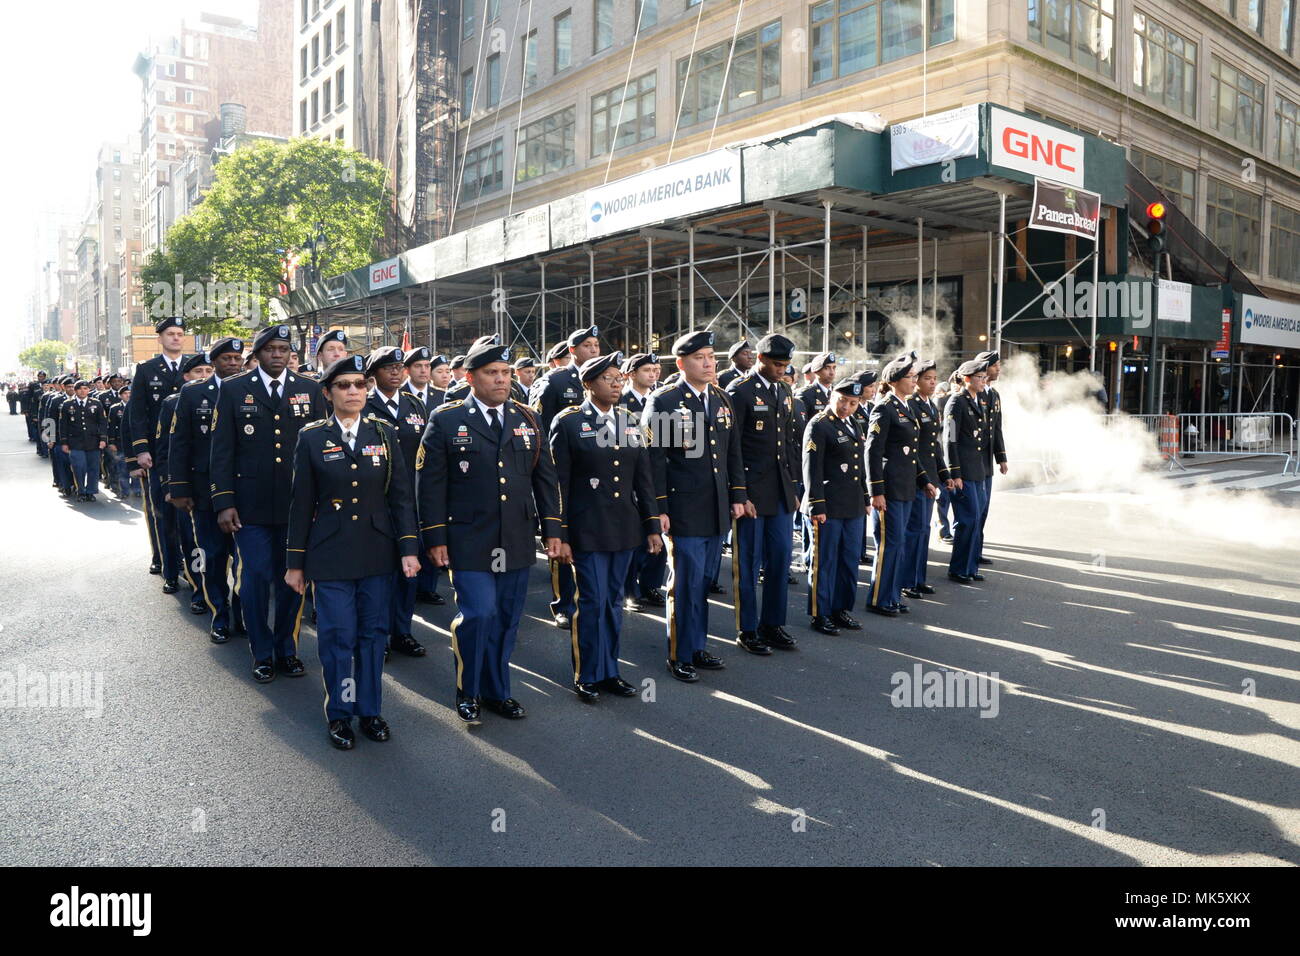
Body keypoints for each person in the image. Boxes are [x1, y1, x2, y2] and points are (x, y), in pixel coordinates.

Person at [416, 341, 564, 723]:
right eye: (491, 374)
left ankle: (498, 691)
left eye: (505, 373)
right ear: (470, 378)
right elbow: (430, 485)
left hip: (514, 536)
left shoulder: (528, 418)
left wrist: (553, 529)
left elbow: (545, 479)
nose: (501, 380)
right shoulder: (446, 419)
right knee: (478, 614)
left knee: (505, 620)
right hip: (468, 538)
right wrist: (434, 537)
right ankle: (468, 689)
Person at [286, 355, 420, 750]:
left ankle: (371, 711)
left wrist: (408, 548)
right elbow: (301, 503)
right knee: (337, 636)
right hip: (329, 555)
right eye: (344, 385)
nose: (354, 391)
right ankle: (341, 713)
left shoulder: (383, 433)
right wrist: (295, 563)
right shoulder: (312, 437)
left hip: (377, 551)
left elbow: (400, 498)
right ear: (327, 393)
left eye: (360, 384)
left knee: (373, 635)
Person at [210, 324, 327, 683]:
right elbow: (222, 451)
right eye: (270, 349)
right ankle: (262, 651)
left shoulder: (308, 389)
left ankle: (286, 648)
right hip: (250, 506)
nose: (278, 354)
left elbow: (322, 448)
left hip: (297, 506)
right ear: (257, 354)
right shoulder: (233, 389)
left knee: (294, 580)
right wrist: (224, 501)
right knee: (256, 578)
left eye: (283, 349)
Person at [550, 352, 661, 703]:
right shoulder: (568, 423)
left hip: (624, 529)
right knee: (593, 602)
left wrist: (652, 526)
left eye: (618, 378)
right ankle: (586, 673)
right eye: (608, 378)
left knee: (613, 602)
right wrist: (560, 534)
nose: (616, 384)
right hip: (587, 530)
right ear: (588, 384)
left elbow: (643, 480)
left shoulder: (630, 421)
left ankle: (609, 670)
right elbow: (559, 485)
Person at [642, 330, 747, 683]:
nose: (708, 363)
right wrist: (659, 509)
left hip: (716, 507)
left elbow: (732, 452)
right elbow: (656, 460)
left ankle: (697, 645)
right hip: (683, 509)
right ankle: (680, 653)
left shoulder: (720, 398)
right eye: (700, 357)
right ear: (682, 362)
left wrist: (738, 496)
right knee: (685, 583)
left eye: (711, 356)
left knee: (703, 582)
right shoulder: (667, 401)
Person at [725, 333, 801, 655]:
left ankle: (773, 623)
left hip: (781, 491)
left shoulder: (784, 390)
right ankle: (748, 628)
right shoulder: (739, 392)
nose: (782, 370)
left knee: (781, 558)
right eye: (777, 364)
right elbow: (732, 448)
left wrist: (795, 488)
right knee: (749, 561)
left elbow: (789, 444)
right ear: (760, 360)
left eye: (785, 365)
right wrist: (740, 494)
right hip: (752, 493)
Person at [168, 337, 245, 642]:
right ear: (214, 362)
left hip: (243, 490)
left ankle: (242, 613)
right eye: (227, 359)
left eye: (237, 359)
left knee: (245, 562)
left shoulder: (249, 391)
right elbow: (180, 443)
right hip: (203, 491)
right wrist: (179, 488)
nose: (233, 364)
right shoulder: (193, 394)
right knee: (212, 557)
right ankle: (220, 614)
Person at [530, 326, 601, 629]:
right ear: (573, 351)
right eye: (587, 345)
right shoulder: (555, 381)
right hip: (562, 471)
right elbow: (538, 428)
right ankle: (563, 603)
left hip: (596, 471)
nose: (594, 350)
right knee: (562, 532)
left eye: (597, 345)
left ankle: (590, 597)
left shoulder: (603, 378)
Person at [364, 345, 429, 658]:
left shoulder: (415, 404)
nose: (395, 372)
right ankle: (379, 634)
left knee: (409, 570)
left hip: (410, 502)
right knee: (379, 572)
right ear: (374, 373)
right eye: (387, 367)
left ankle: (402, 630)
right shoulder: (365, 404)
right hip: (375, 503)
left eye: (399, 367)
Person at [866, 354, 939, 616]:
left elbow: (912, 452)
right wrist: (876, 491)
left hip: (907, 486)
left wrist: (925, 480)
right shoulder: (884, 408)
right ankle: (879, 598)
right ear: (895, 381)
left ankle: (893, 594)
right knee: (889, 545)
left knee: (900, 545)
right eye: (910, 377)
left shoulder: (906, 407)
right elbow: (873, 452)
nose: (914, 381)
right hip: (891, 489)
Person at [802, 378, 870, 636]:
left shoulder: (853, 422)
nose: (846, 407)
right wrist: (816, 504)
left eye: (852, 403)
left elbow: (858, 466)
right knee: (825, 561)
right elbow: (812, 469)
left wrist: (865, 497)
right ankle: (821, 613)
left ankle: (841, 608)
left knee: (849, 560)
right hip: (827, 505)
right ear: (832, 396)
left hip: (851, 504)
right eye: (842, 400)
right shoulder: (819, 425)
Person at [127, 316, 188, 578]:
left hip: (188, 453)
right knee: (162, 512)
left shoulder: (194, 367)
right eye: (170, 334)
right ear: (160, 338)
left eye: (179, 333)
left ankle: (192, 567)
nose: (176, 337)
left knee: (189, 514)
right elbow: (137, 413)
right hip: (157, 454)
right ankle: (168, 565)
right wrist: (140, 450)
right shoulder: (146, 369)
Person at [156, 353, 214, 601]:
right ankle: (199, 590)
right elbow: (166, 449)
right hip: (190, 483)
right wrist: (172, 485)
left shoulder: (227, 396)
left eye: (208, 371)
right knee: (192, 541)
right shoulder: (172, 403)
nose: (204, 376)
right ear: (186, 376)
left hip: (221, 482)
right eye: (198, 372)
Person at [619, 353, 667, 612]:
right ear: (631, 373)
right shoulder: (620, 402)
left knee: (657, 535)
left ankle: (650, 585)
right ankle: (630, 590)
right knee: (634, 538)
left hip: (657, 476)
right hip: (631, 477)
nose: (653, 374)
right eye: (647, 369)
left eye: (656, 369)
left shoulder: (662, 400)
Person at [900, 359, 949, 601]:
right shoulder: (911, 405)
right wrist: (924, 480)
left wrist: (945, 474)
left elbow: (935, 447)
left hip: (930, 477)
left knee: (924, 530)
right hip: (916, 478)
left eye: (934, 378)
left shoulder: (932, 406)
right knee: (914, 530)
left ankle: (919, 578)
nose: (932, 382)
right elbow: (914, 448)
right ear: (916, 381)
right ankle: (907, 580)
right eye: (927, 378)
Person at [943, 360, 990, 584]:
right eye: (980, 377)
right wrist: (954, 472)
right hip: (963, 472)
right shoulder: (956, 402)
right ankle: (959, 567)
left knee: (976, 519)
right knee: (967, 520)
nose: (984, 380)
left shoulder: (977, 400)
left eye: (984, 377)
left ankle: (970, 566)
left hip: (976, 470)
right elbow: (950, 439)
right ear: (968, 379)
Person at [973, 350, 1008, 565]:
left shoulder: (994, 395)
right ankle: (967, 553)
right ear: (984, 368)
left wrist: (1001, 457)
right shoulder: (971, 393)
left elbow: (997, 429)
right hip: (972, 463)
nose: (998, 369)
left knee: (983, 510)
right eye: (996, 365)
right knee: (972, 513)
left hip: (986, 462)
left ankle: (976, 550)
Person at [60, 379, 108, 502]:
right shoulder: (67, 404)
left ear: (89, 390)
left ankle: (90, 492)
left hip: (93, 440)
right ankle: (81, 490)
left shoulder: (96, 403)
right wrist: (64, 442)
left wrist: (103, 439)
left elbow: (102, 422)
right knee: (78, 467)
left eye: (85, 388)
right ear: (76, 390)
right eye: (80, 388)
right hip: (75, 442)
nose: (83, 391)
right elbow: (63, 425)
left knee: (93, 468)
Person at [934, 379, 955, 542]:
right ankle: (943, 528)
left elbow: (953, 437)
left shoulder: (953, 408)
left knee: (948, 495)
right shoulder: (937, 404)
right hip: (938, 458)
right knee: (942, 497)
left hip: (948, 459)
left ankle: (947, 527)